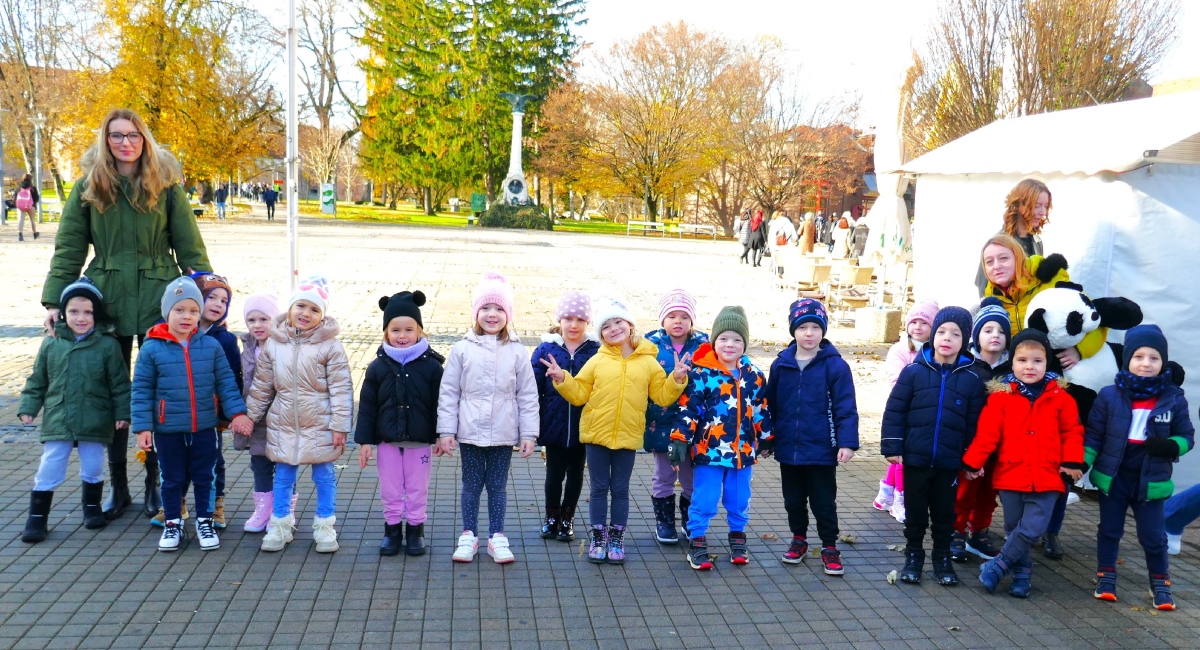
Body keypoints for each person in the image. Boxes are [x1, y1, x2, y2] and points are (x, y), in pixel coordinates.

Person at [41, 107, 211, 522]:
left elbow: (189, 245)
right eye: (117, 136)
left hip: (159, 297)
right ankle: (119, 485)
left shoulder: (166, 186)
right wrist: (53, 301)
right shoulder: (88, 186)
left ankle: (156, 481)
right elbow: (69, 248)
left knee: (157, 390)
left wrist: (204, 294)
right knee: (110, 394)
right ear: (106, 140)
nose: (126, 143)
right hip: (107, 299)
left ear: (145, 139)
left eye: (133, 135)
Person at [543, 297, 689, 565]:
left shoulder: (648, 361)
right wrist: (563, 379)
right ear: (601, 335)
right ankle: (598, 537)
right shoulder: (597, 360)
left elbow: (662, 396)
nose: (613, 329)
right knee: (599, 488)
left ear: (630, 326)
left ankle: (617, 538)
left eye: (618, 322)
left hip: (628, 436)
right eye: (606, 326)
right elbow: (579, 395)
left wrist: (676, 379)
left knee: (620, 489)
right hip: (596, 435)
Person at [132, 276, 253, 552]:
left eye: (193, 311)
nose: (187, 317)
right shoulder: (152, 347)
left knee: (204, 475)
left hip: (204, 427)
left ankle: (205, 521)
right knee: (172, 477)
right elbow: (141, 389)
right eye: (180, 310)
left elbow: (225, 382)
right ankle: (173, 522)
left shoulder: (210, 346)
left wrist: (237, 414)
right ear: (167, 312)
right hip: (167, 428)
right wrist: (143, 428)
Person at [965, 329, 1085, 598]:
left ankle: (997, 565)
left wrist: (1072, 462)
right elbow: (987, 434)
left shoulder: (1062, 399)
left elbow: (1073, 432)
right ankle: (1022, 574)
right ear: (1013, 362)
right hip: (1010, 475)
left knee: (1033, 528)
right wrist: (974, 462)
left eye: (1037, 361)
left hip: (1048, 476)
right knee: (1014, 527)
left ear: (1047, 363)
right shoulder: (1000, 398)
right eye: (1022, 360)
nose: (1029, 366)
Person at [1084, 325, 1194, 609]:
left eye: (1154, 358)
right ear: (1128, 360)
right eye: (1139, 357)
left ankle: (1159, 581)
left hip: (1151, 477)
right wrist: (1080, 463)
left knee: (1154, 536)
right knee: (1109, 530)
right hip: (1115, 475)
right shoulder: (1109, 395)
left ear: (1163, 362)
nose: (1146, 363)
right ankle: (1106, 575)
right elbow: (1094, 435)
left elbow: (1187, 436)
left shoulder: (1173, 397)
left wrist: (1172, 446)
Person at [244, 277, 354, 554]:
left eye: (315, 310)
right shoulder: (273, 344)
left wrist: (340, 426)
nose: (306, 313)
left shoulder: (331, 346)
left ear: (322, 315)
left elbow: (342, 389)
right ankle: (280, 524)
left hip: (321, 422)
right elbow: (262, 386)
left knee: (325, 475)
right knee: (283, 476)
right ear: (290, 308)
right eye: (301, 306)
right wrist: (249, 417)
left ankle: (325, 526)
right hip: (284, 424)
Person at [436, 272, 539, 564]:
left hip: (503, 433)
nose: (492, 315)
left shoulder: (518, 352)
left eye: (499, 309)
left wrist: (529, 434)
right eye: (485, 308)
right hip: (469, 432)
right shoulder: (462, 349)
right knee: (470, 486)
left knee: (497, 487)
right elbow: (449, 392)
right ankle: (468, 535)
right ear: (476, 312)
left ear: (508, 314)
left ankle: (497, 536)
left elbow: (528, 396)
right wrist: (446, 431)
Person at [19, 278, 131, 543]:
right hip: (60, 416)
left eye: (88, 312)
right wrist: (28, 407)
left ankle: (92, 507)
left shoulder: (107, 345)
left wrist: (122, 414)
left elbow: (120, 383)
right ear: (62, 313)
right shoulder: (51, 343)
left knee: (93, 465)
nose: (81, 318)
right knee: (51, 464)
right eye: (73, 311)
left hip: (96, 417)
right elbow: (38, 380)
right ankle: (37, 517)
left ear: (97, 314)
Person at [882, 306, 987, 586]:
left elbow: (975, 423)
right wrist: (893, 446)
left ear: (965, 339)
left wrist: (972, 460)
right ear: (932, 335)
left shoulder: (972, 378)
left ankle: (941, 558)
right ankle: (913, 555)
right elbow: (896, 410)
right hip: (916, 458)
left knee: (944, 514)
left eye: (955, 334)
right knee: (915, 514)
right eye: (941, 331)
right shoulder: (914, 371)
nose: (947, 338)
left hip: (949, 462)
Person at [670, 306, 772, 569]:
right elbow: (688, 408)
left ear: (744, 344)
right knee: (705, 498)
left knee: (739, 499)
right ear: (714, 341)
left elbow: (760, 407)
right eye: (724, 339)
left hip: (743, 453)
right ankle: (698, 540)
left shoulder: (754, 375)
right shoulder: (702, 374)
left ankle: (737, 537)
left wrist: (768, 435)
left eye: (737, 340)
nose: (730, 344)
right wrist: (680, 439)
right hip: (710, 452)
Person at [766, 299, 859, 575]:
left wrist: (847, 442)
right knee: (793, 500)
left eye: (815, 327)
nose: (809, 333)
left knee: (823, 501)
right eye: (803, 327)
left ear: (823, 331)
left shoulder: (835, 366)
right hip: (789, 449)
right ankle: (799, 539)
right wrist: (767, 439)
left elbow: (846, 406)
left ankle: (829, 545)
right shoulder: (781, 364)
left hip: (822, 448)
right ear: (793, 330)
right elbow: (770, 405)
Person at [147, 272, 240, 530]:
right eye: (212, 297)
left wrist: (229, 414)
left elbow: (231, 379)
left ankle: (215, 506)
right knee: (175, 463)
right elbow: (148, 384)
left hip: (209, 415)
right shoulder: (161, 338)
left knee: (212, 463)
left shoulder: (225, 340)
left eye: (224, 301)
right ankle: (177, 505)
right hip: (173, 416)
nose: (218, 304)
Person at [356, 290, 444, 557]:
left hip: (420, 441)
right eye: (395, 329)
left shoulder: (432, 367)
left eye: (408, 329)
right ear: (386, 332)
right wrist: (364, 442)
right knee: (391, 488)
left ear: (420, 331)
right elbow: (368, 407)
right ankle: (392, 530)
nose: (402, 335)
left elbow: (442, 404)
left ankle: (416, 530)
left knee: (417, 489)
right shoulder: (377, 367)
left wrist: (442, 434)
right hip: (387, 441)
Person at [531, 290, 600, 543]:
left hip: (584, 423)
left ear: (588, 322)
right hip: (553, 422)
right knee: (554, 473)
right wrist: (533, 420)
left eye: (580, 320)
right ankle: (551, 517)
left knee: (576, 472)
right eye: (568, 318)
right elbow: (533, 387)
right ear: (559, 320)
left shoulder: (595, 350)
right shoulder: (546, 348)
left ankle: (567, 518)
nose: (574, 325)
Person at [644, 289, 708, 544]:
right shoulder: (650, 346)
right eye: (672, 315)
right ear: (663, 320)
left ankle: (690, 521)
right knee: (664, 475)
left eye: (684, 316)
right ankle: (664, 521)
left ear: (692, 320)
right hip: (661, 422)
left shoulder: (704, 346)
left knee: (690, 476)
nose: (678, 321)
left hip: (694, 424)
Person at [950, 298, 1012, 562]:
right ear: (976, 336)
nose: (995, 336)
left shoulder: (1013, 370)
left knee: (989, 492)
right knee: (964, 492)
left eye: (1001, 331)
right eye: (988, 330)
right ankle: (956, 532)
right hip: (971, 444)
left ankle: (979, 532)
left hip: (1001, 446)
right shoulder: (966, 366)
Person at [874, 300, 938, 522]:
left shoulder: (936, 351)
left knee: (905, 456)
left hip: (924, 413)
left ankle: (886, 494)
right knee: (904, 457)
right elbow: (895, 378)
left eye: (924, 323)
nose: (918, 327)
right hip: (903, 409)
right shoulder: (900, 349)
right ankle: (902, 500)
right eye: (914, 322)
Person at [235, 292, 291, 533]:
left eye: (264, 319)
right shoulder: (245, 352)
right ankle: (262, 510)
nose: (257, 325)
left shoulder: (286, 348)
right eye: (252, 320)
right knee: (260, 465)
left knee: (287, 467)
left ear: (276, 320)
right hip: (255, 422)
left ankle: (285, 510)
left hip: (283, 420)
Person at [974, 179, 1050, 296]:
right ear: (1019, 205)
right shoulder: (999, 243)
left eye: (1046, 206)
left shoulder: (1036, 240)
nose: (1043, 212)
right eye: (1037, 206)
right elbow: (983, 287)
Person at [767, 211, 797, 276]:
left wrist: (770, 246)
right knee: (783, 262)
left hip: (775, 247)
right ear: (786, 216)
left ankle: (776, 275)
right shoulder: (789, 224)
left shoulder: (774, 224)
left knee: (776, 262)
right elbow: (795, 237)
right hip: (786, 247)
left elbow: (770, 236)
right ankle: (781, 273)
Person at [14, 173, 40, 242]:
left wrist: (17, 204)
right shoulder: (33, 188)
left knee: (21, 220)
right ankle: (34, 233)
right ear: (30, 179)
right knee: (32, 220)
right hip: (31, 206)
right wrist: (32, 204)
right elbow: (36, 198)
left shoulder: (19, 187)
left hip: (20, 206)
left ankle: (20, 235)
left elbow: (15, 198)